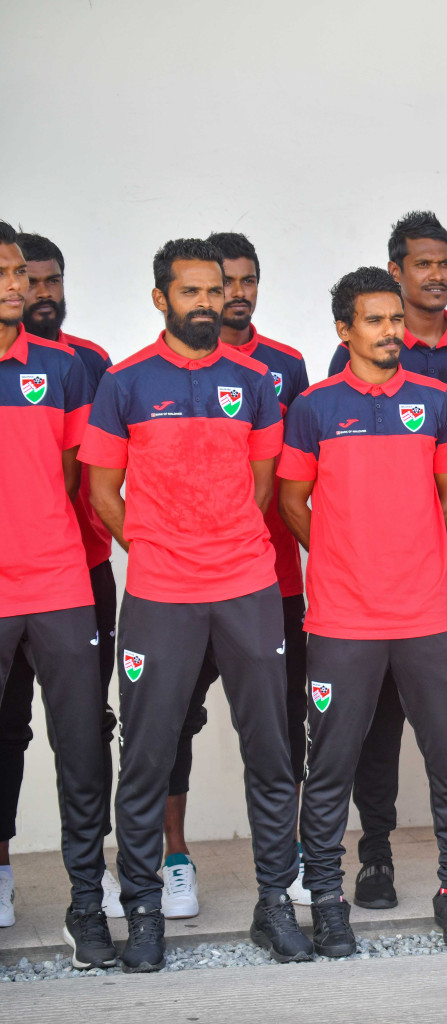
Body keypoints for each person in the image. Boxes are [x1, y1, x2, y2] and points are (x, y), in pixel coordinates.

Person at [80, 238, 310, 971]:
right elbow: (101, 494)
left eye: (215, 292)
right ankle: (144, 913)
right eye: (192, 293)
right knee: (146, 757)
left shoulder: (257, 381)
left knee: (271, 752)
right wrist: (156, 546)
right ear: (161, 299)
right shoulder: (124, 383)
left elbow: (264, 485)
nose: (208, 304)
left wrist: (220, 544)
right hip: (160, 596)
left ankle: (275, 906)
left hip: (247, 589)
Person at [278, 266, 447, 956]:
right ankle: (329, 902)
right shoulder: (312, 406)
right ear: (344, 329)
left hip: (429, 613)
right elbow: (291, 503)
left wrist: (407, 551)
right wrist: (344, 554)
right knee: (331, 766)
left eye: (396, 319)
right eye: (376, 321)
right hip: (342, 620)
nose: (393, 331)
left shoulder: (439, 401)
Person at [329, 212, 447, 910]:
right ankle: (374, 856)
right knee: (378, 721)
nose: (436, 275)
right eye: (422, 264)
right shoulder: (358, 357)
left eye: (446, 263)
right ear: (395, 273)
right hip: (382, 586)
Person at [156, 231, 311, 918]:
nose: (236, 294)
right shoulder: (156, 376)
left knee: (279, 727)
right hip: (184, 588)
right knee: (171, 725)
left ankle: (288, 858)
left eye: (247, 281)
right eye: (224, 283)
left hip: (270, 584)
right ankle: (175, 858)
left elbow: (297, 474)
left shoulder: (283, 366)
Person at [0, 221, 116, 967]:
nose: (18, 286)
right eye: (5, 273)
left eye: (20, 272)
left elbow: (76, 480)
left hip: (59, 583)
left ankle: (85, 904)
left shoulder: (63, 368)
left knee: (81, 748)